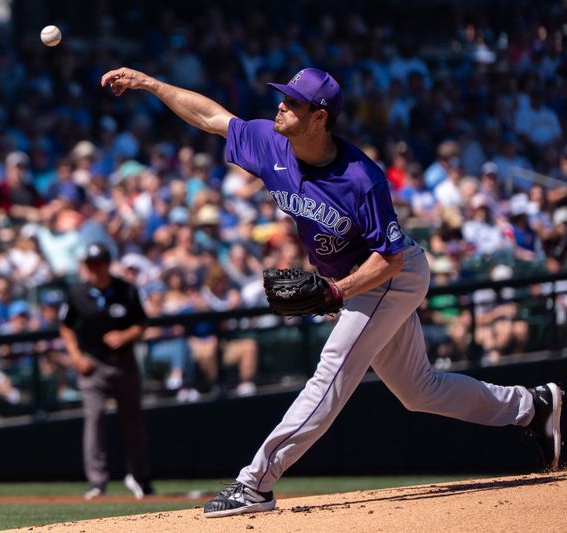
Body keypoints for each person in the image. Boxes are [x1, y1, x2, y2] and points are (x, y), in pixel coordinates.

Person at [101, 65, 564, 517]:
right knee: (420, 390)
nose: (280, 106)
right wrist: (150, 83)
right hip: (358, 281)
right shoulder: (270, 142)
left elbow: (392, 259)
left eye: (293, 102)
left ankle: (255, 482)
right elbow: (211, 117)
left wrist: (335, 293)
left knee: (332, 371)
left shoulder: (362, 178)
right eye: (282, 98)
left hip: (386, 277)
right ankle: (535, 405)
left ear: (319, 117)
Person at [59, 242, 153, 500]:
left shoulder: (126, 290)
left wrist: (126, 335)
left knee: (133, 421)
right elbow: (66, 327)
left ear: (107, 264)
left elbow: (142, 322)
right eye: (90, 264)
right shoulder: (77, 293)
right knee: (95, 419)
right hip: (93, 364)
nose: (95, 269)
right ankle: (97, 482)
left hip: (124, 362)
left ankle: (140, 478)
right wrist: (76, 356)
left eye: (98, 264)